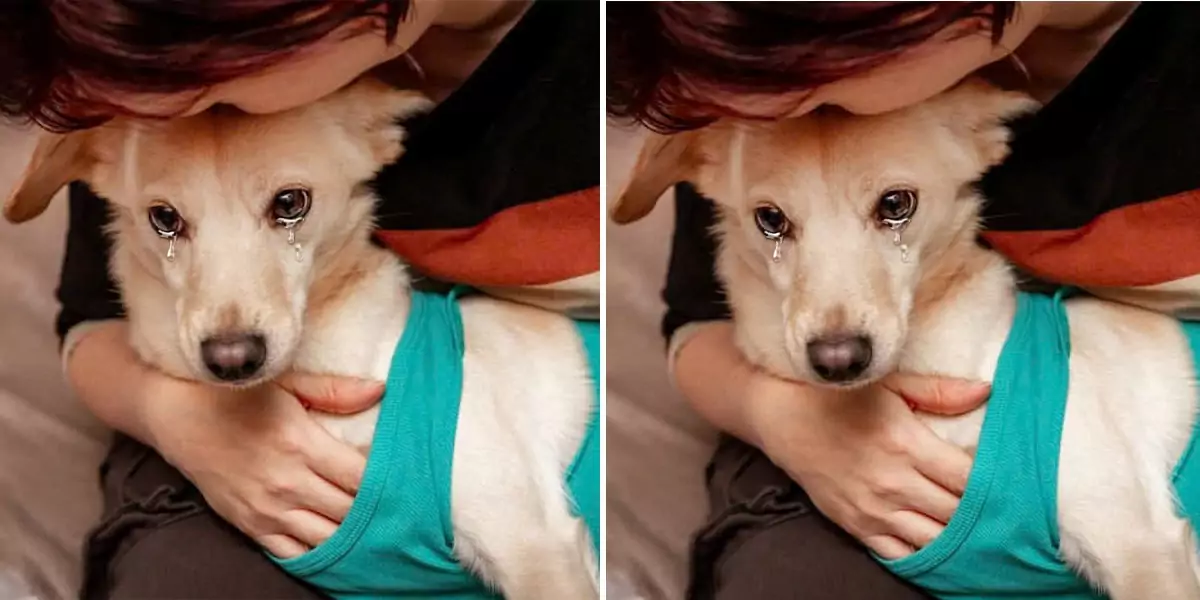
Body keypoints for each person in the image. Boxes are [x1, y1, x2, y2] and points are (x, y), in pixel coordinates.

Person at [0, 1, 598, 598]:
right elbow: (89, 316)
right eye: (167, 218)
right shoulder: (145, 81)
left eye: (287, 206)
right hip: (180, 432)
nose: (199, 87)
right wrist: (181, 420)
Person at [607, 2, 1200, 598]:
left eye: (893, 207)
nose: (805, 92)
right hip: (796, 449)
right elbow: (694, 318)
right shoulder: (753, 84)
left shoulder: (954, 114)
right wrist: (786, 420)